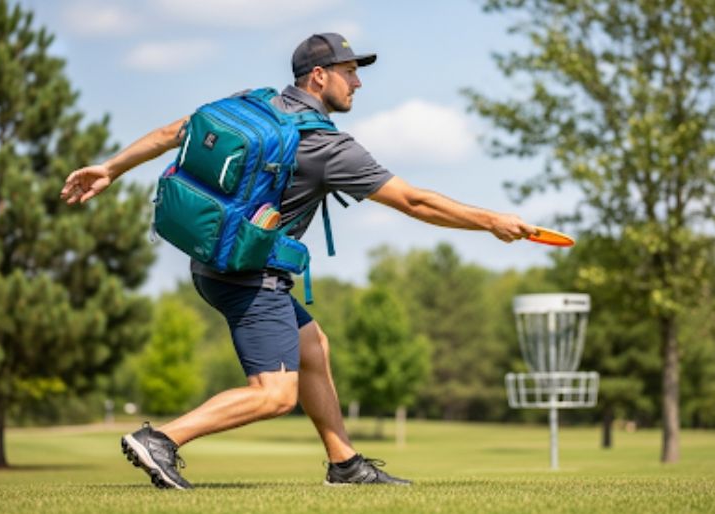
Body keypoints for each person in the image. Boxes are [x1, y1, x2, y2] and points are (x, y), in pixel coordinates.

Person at [60, 33, 539, 490]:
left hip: (214, 261)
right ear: (317, 76)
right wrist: (490, 220)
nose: (357, 83)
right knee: (275, 394)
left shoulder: (252, 103)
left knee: (313, 346)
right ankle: (160, 440)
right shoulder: (325, 146)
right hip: (252, 277)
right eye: (348, 72)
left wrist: (110, 168)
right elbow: (414, 202)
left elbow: (174, 132)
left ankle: (345, 464)